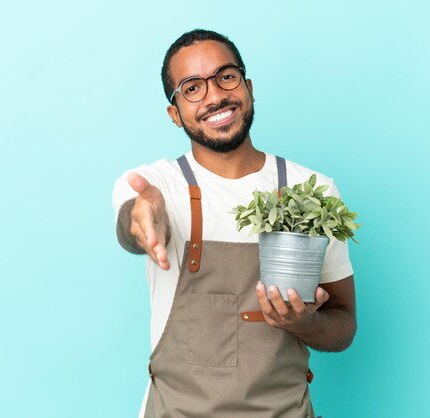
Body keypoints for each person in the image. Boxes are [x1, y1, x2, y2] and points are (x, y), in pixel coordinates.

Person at [113, 29, 357, 418]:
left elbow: (343, 323)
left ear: (249, 87)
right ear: (174, 114)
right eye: (192, 88)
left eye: (226, 76)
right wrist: (141, 219)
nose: (214, 96)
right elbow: (132, 220)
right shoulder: (158, 185)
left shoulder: (313, 193)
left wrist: (305, 323)